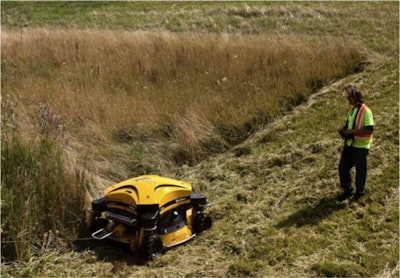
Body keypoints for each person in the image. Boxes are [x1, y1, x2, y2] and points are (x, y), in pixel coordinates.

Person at [337, 85, 374, 202]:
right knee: (342, 168)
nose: (348, 99)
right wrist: (343, 130)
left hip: (361, 147)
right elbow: (349, 124)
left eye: (350, 97)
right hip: (349, 145)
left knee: (360, 171)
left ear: (357, 97)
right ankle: (348, 190)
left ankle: (359, 193)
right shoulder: (351, 110)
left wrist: (351, 131)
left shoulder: (366, 111)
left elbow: (369, 129)